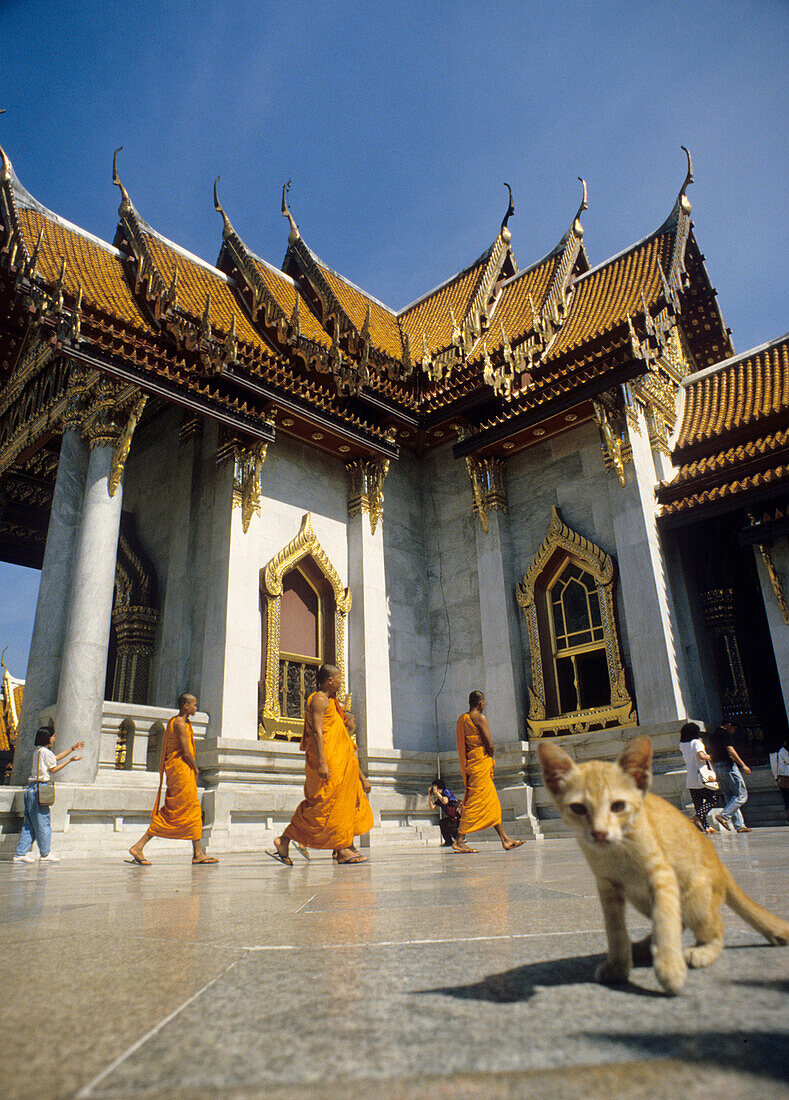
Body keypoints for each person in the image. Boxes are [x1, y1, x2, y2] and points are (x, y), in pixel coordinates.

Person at [271, 664, 373, 865]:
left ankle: (341, 846)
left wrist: (360, 775)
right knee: (322, 805)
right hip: (328, 760)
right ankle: (287, 839)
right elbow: (318, 732)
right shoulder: (319, 699)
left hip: (342, 761)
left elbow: (342, 734)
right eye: (339, 678)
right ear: (329, 681)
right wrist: (323, 764)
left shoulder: (332, 702)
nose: (341, 681)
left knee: (341, 804)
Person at [128, 693, 218, 865]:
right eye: (194, 705)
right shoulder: (179, 724)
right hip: (182, 770)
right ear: (186, 706)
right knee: (177, 810)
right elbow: (186, 752)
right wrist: (195, 767)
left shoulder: (182, 722)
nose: (196, 708)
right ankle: (138, 846)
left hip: (181, 771)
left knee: (191, 809)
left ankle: (198, 853)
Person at [453, 690, 524, 854]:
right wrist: (489, 754)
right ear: (481, 703)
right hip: (481, 765)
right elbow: (490, 745)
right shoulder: (480, 718)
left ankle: (505, 839)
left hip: (473, 765)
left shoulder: (462, 719)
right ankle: (459, 840)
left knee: (493, 804)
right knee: (473, 804)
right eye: (484, 703)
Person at [12, 727, 84, 863]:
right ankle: (45, 854)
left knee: (29, 824)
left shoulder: (38, 752)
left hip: (31, 790)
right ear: (48, 737)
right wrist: (69, 761)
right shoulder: (46, 752)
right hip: (40, 789)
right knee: (43, 822)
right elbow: (53, 769)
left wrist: (71, 749)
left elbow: (54, 758)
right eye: (53, 736)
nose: (54, 738)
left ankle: (20, 853)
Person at [709, 718, 751, 833]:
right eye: (734, 727)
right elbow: (730, 749)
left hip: (718, 766)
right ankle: (724, 816)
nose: (734, 730)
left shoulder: (713, 736)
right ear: (728, 725)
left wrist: (714, 771)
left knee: (730, 796)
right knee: (741, 794)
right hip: (728, 766)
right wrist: (743, 765)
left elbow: (712, 754)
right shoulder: (724, 733)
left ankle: (739, 825)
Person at [678, 721, 718, 834]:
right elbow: (701, 756)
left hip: (690, 778)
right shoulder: (697, 743)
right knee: (712, 799)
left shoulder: (682, 745)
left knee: (698, 804)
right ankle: (697, 817)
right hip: (701, 776)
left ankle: (706, 827)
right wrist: (710, 756)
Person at [429, 778, 461, 846]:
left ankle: (459, 839)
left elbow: (445, 801)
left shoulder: (446, 792)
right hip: (451, 817)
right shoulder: (439, 798)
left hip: (456, 817)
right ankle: (448, 841)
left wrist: (437, 793)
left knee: (450, 825)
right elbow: (432, 807)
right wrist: (430, 796)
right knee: (442, 822)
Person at [769, 737, 789, 824]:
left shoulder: (773, 754)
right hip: (787, 777)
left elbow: (774, 768)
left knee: (786, 799)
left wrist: (775, 778)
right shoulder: (783, 751)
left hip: (781, 778)